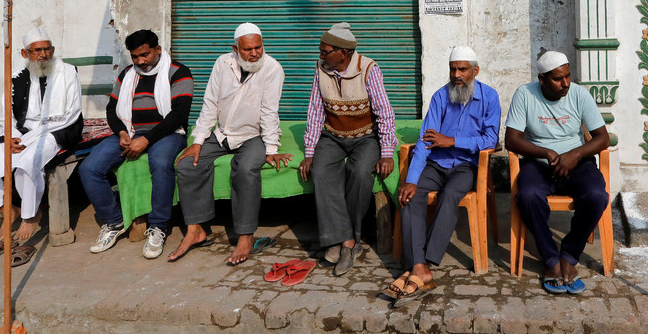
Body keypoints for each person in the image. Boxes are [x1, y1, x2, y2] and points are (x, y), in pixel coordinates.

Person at [166, 23, 292, 265]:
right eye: (248, 49)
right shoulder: (223, 63)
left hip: (253, 135)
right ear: (235, 49)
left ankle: (245, 236)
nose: (255, 53)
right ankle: (196, 231)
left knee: (245, 169)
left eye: (258, 47)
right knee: (188, 164)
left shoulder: (272, 69)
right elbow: (210, 103)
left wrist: (271, 148)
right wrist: (198, 140)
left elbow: (269, 111)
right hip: (223, 133)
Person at [388, 46, 500, 306]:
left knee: (450, 195)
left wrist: (452, 141)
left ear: (475, 71)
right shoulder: (440, 97)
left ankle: (422, 264)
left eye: (462, 69)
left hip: (466, 165)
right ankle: (419, 267)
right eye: (453, 69)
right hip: (436, 165)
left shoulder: (489, 97)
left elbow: (490, 139)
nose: (457, 75)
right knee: (408, 195)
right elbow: (425, 143)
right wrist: (412, 180)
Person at [0, 28, 83, 265]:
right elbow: (7, 117)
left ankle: (30, 216)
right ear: (25, 53)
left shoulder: (68, 71)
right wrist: (11, 137)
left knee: (28, 163)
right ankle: (11, 207)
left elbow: (73, 113)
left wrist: (31, 139)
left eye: (47, 48)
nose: (43, 54)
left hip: (56, 131)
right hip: (22, 133)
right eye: (37, 50)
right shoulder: (15, 76)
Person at [78, 29, 193, 259]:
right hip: (129, 130)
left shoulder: (179, 72)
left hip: (167, 133)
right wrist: (121, 132)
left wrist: (147, 139)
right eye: (135, 57)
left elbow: (179, 114)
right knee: (88, 169)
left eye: (146, 55)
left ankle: (158, 226)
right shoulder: (127, 74)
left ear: (158, 49)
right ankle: (114, 221)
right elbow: (112, 109)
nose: (141, 61)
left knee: (160, 164)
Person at [505, 51, 609, 295]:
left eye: (567, 76)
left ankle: (570, 255)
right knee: (528, 195)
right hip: (539, 165)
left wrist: (574, 155)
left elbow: (602, 138)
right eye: (557, 78)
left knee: (597, 195)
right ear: (541, 79)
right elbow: (511, 140)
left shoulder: (580, 94)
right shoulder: (525, 94)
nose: (565, 83)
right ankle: (551, 259)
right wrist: (545, 152)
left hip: (578, 164)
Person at [299, 22, 397, 276]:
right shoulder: (321, 69)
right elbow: (315, 110)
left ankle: (350, 240)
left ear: (342, 53)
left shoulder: (369, 69)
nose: (320, 56)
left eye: (325, 51)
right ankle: (344, 241)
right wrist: (310, 151)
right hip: (333, 137)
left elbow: (384, 113)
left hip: (366, 137)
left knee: (361, 172)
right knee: (321, 171)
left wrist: (386, 151)